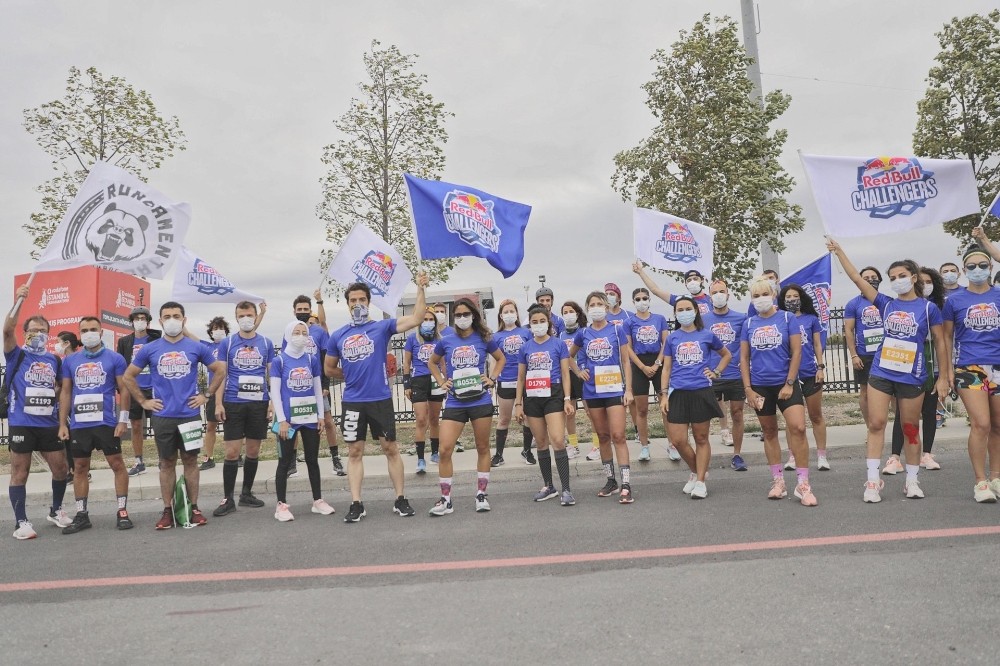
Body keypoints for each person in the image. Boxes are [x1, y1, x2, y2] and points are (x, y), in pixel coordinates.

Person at [826, 238, 949, 503]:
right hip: (882, 373)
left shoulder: (929, 309)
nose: (897, 280)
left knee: (910, 428)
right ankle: (872, 481)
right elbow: (857, 280)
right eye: (892, 277)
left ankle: (912, 481)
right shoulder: (886, 303)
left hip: (912, 376)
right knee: (876, 423)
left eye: (902, 276)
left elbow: (941, 343)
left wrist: (944, 378)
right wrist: (839, 252)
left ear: (914, 278)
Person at [325, 274, 428, 522]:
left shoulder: (381, 327)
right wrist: (348, 375)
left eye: (362, 299)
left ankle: (400, 499)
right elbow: (329, 369)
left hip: (380, 399)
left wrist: (421, 288)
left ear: (369, 302)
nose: (357, 303)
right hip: (352, 402)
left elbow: (416, 318)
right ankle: (356, 503)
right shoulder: (338, 335)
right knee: (354, 452)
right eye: (353, 300)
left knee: (390, 448)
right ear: (347, 304)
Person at [123, 302, 226, 530]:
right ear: (160, 321)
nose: (172, 319)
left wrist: (206, 395)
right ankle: (167, 511)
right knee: (166, 463)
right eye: (167, 316)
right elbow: (128, 376)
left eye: (176, 315)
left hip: (189, 415)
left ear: (184, 319)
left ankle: (194, 507)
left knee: (191, 461)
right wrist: (143, 401)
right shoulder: (150, 349)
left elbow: (220, 369)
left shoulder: (195, 347)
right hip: (163, 416)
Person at [740, 275, 818, 506]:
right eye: (756, 296)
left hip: (786, 384)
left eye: (765, 294)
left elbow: (797, 352)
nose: (761, 299)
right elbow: (744, 358)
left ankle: (803, 484)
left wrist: (790, 383)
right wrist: (748, 390)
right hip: (760, 386)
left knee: (798, 428)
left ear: (774, 295)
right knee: (769, 431)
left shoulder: (786, 318)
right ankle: (778, 482)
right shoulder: (749, 324)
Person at [4, 285, 72, 539]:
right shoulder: (16, 355)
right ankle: (21, 522)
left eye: (42, 331)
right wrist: (19, 301)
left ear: (49, 334)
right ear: (25, 333)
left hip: (48, 423)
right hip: (22, 422)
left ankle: (56, 510)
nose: (38, 334)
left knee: (61, 469)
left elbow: (62, 390)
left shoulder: (55, 360)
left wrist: (62, 421)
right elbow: (7, 329)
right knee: (20, 472)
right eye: (33, 331)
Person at [427, 298, 506, 515]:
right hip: (455, 402)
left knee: (482, 448)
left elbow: (500, 359)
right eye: (458, 315)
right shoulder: (447, 340)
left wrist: (492, 378)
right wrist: (443, 381)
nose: (462, 318)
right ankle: (445, 499)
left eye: (465, 314)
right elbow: (432, 362)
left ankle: (481, 494)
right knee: (444, 449)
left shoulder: (484, 338)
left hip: (480, 400)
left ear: (474, 315)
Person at [57, 316, 133, 533]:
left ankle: (122, 511)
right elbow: (66, 391)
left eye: (93, 329)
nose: (89, 333)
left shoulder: (115, 358)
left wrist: (123, 420)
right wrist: (63, 424)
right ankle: (82, 515)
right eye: (84, 330)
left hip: (106, 423)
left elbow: (124, 389)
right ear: (79, 335)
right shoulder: (71, 361)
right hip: (80, 425)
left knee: (117, 465)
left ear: (100, 332)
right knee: (80, 468)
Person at [944, 231, 1000, 501]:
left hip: (998, 366)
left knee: (999, 425)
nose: (977, 270)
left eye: (983, 265)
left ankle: (996, 478)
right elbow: (945, 338)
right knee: (981, 424)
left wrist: (986, 243)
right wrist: (946, 374)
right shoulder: (954, 300)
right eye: (971, 266)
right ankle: (980, 482)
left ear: (991, 268)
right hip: (969, 368)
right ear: (964, 271)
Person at [660, 296, 730, 498]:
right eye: (679, 309)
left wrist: (716, 372)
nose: (684, 312)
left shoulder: (707, 335)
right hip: (678, 392)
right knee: (678, 440)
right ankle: (696, 470)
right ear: (675, 314)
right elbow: (666, 368)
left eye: (687, 308)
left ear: (695, 311)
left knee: (701, 438)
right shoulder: (672, 338)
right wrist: (664, 394)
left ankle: (700, 481)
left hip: (701, 391)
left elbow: (726, 355)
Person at [569, 291, 635, 502]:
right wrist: (579, 371)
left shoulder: (617, 329)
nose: (596, 307)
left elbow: (626, 361)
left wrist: (629, 390)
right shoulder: (583, 333)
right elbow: (568, 356)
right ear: (587, 309)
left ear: (606, 307)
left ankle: (626, 483)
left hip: (615, 389)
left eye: (600, 303)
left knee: (618, 436)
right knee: (603, 437)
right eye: (592, 304)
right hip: (592, 391)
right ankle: (611, 481)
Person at [211, 301, 275, 517]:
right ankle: (228, 498)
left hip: (258, 403)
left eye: (249, 314)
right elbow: (221, 375)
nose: (245, 318)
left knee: (253, 451)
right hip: (233, 402)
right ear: (236, 317)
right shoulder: (227, 343)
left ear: (255, 316)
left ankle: (246, 493)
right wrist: (218, 403)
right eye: (241, 315)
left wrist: (273, 403)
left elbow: (272, 376)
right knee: (231, 451)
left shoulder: (266, 343)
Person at [271, 320, 335, 521]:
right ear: (288, 334)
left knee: (312, 460)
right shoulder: (279, 361)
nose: (300, 336)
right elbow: (275, 393)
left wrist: (320, 416)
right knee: (284, 462)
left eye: (304, 332)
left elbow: (317, 388)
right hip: (288, 421)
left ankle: (318, 500)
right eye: (296, 332)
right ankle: (281, 505)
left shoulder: (311, 359)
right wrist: (281, 420)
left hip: (309, 418)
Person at [885, 268, 946, 474]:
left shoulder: (937, 307)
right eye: (922, 281)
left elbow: (943, 340)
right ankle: (895, 456)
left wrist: (945, 374)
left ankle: (926, 453)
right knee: (903, 413)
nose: (925, 284)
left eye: (929, 281)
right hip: (908, 366)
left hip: (933, 364)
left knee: (929, 410)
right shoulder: (903, 306)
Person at [514, 304, 576, 505]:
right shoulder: (525, 347)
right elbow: (521, 377)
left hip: (553, 395)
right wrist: (518, 404)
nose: (538, 325)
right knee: (541, 443)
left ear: (548, 323)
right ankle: (549, 486)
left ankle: (566, 489)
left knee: (557, 440)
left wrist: (567, 399)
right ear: (529, 325)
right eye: (534, 322)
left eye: (542, 321)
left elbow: (566, 373)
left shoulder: (559, 345)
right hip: (532, 397)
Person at [778, 284, 830, 471]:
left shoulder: (811, 319)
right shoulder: (781, 319)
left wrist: (820, 367)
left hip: (810, 373)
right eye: (788, 297)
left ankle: (822, 456)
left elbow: (817, 344)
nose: (792, 299)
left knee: (816, 415)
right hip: (788, 378)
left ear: (801, 298)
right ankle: (792, 456)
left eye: (795, 296)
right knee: (792, 421)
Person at [292, 294, 343, 476]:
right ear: (294, 311)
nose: (303, 312)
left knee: (328, 421)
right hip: (297, 385)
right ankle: (292, 461)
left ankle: (335, 457)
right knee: (295, 423)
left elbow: (325, 360)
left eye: (306, 309)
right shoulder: (290, 331)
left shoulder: (319, 332)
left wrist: (325, 384)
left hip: (317, 385)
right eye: (300, 310)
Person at [703, 278, 748, 471]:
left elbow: (746, 347)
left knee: (737, 414)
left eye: (722, 291)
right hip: (710, 375)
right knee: (703, 418)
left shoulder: (741, 318)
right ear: (709, 296)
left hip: (735, 375)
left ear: (728, 295)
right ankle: (703, 456)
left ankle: (737, 455)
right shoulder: (702, 319)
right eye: (714, 292)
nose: (718, 295)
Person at [624, 287, 670, 462]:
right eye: (638, 298)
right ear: (633, 301)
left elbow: (666, 342)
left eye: (645, 298)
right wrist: (642, 367)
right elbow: (627, 347)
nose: (642, 301)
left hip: (658, 363)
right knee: (641, 409)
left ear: (649, 300)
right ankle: (644, 446)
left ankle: (672, 444)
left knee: (665, 407)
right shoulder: (629, 322)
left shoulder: (659, 319)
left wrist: (658, 363)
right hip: (639, 365)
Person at [117, 306, 161, 477]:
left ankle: (162, 459)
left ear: (148, 321)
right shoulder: (124, 342)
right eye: (137, 318)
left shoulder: (155, 339)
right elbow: (121, 367)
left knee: (158, 425)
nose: (140, 321)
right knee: (136, 425)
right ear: (132, 321)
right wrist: (121, 388)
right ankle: (139, 461)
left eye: (143, 318)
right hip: (134, 389)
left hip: (153, 387)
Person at [402, 308, 445, 474]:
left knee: (434, 418)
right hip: (418, 380)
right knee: (421, 419)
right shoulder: (412, 338)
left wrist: (446, 382)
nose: (427, 322)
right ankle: (420, 458)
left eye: (430, 319)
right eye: (424, 319)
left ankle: (435, 452)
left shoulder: (439, 339)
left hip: (435, 380)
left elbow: (442, 364)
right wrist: (407, 385)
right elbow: (406, 363)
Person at [843, 267, 884, 432]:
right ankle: (871, 428)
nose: (870, 280)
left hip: (887, 353)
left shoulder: (887, 301)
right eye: (866, 277)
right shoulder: (853, 304)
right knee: (866, 393)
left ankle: (900, 429)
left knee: (895, 394)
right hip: (865, 355)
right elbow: (848, 330)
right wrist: (854, 355)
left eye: (874, 277)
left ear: (880, 279)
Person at [492, 299, 532, 466]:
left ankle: (527, 451)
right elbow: (494, 360)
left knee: (528, 418)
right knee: (504, 419)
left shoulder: (526, 333)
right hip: (506, 381)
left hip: (526, 381)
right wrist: (492, 380)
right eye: (506, 312)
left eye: (512, 311)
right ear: (501, 316)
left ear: (516, 314)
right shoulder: (496, 336)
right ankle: (499, 455)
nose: (509, 314)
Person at [197, 317, 229, 471]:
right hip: (214, 390)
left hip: (230, 390)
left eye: (221, 328)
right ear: (211, 332)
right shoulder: (207, 347)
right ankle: (208, 457)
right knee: (211, 426)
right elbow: (190, 337)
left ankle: (236, 455)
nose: (218, 331)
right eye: (215, 328)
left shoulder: (231, 344)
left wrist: (262, 313)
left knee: (233, 426)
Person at [560, 301, 588, 459]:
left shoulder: (585, 331)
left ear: (577, 313)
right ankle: (574, 445)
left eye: (571, 311)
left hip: (583, 374)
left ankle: (597, 445)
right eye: (565, 312)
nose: (568, 314)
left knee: (590, 412)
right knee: (570, 413)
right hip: (568, 375)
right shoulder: (561, 334)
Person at [55, 331, 82, 480]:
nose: (57, 345)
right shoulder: (65, 360)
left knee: (70, 440)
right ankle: (73, 469)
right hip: (68, 404)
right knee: (68, 440)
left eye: (59, 341)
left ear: (67, 344)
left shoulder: (71, 360)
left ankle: (74, 470)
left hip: (73, 405)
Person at [633, 263, 711, 315]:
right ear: (686, 284)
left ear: (702, 281)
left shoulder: (712, 300)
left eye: (695, 279)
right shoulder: (681, 300)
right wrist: (641, 272)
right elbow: (655, 290)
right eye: (689, 280)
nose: (692, 282)